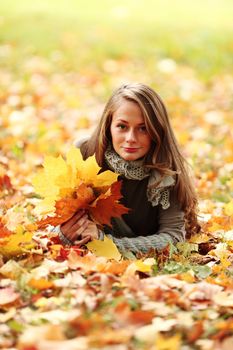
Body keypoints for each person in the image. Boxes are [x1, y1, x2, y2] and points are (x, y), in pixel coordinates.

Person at [56, 83, 200, 253]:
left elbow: (174, 238)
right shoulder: (86, 154)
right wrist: (63, 235)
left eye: (143, 128)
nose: (131, 138)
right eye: (122, 126)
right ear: (109, 126)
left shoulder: (166, 171)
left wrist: (108, 243)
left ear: (157, 131)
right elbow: (54, 223)